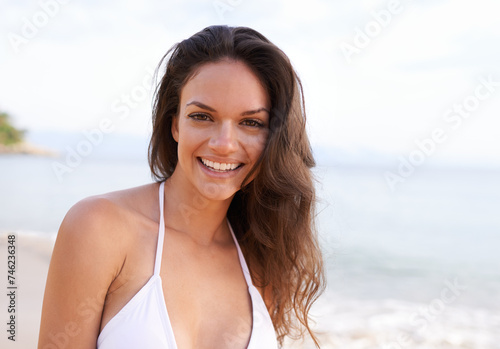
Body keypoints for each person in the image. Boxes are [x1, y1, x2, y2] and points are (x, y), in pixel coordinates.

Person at [38, 25, 325, 349]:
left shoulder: (262, 258)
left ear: (274, 138)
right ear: (175, 123)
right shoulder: (100, 228)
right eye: (202, 116)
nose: (224, 144)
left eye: (251, 122)